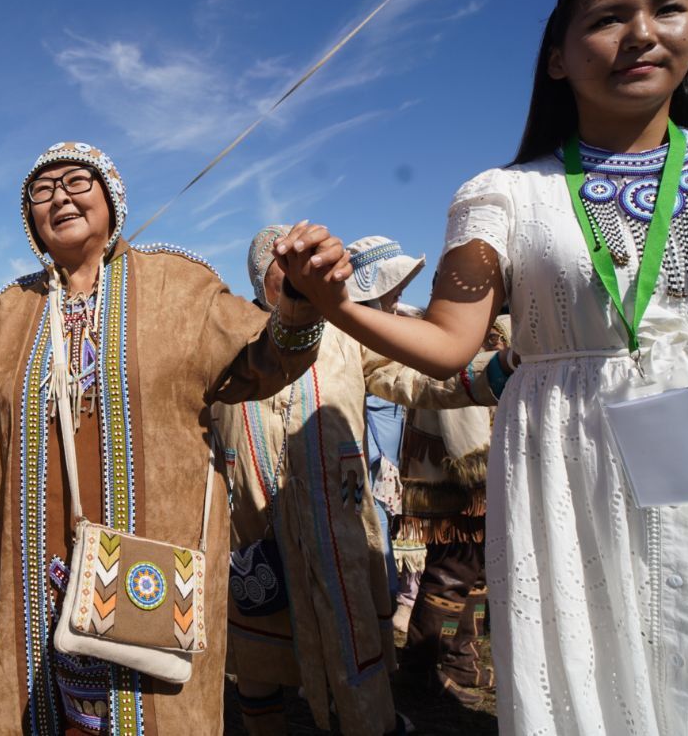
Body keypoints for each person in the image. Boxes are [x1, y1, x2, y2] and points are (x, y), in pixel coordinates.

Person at [290, 0, 688, 734]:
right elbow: (446, 346)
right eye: (606, 19)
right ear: (557, 59)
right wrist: (336, 305)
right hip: (571, 463)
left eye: (667, 10)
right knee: (587, 670)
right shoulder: (503, 195)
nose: (639, 33)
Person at [0, 140, 346, 735]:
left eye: (76, 182)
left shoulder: (182, 286)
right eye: (42, 191)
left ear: (111, 199)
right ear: (30, 218)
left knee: (151, 712)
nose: (60, 197)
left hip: (151, 560)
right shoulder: (12, 309)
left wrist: (300, 300)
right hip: (38, 566)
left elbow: (266, 361)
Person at [213, 225, 503, 736]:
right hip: (256, 534)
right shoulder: (235, 345)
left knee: (356, 664)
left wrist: (494, 372)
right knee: (259, 670)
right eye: (288, 266)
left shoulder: (347, 338)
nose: (305, 275)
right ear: (264, 279)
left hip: (337, 534)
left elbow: (418, 378)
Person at [397, 316, 510, 708]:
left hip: (468, 480)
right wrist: (482, 476)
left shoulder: (483, 329)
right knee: (451, 576)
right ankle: (422, 663)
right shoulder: (463, 334)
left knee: (475, 576)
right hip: (455, 483)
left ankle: (460, 657)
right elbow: (461, 410)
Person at [345, 235, 428, 604]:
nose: (399, 296)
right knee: (371, 517)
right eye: (393, 288)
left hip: (387, 451)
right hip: (368, 454)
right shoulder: (353, 337)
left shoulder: (392, 323)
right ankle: (380, 600)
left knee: (381, 517)